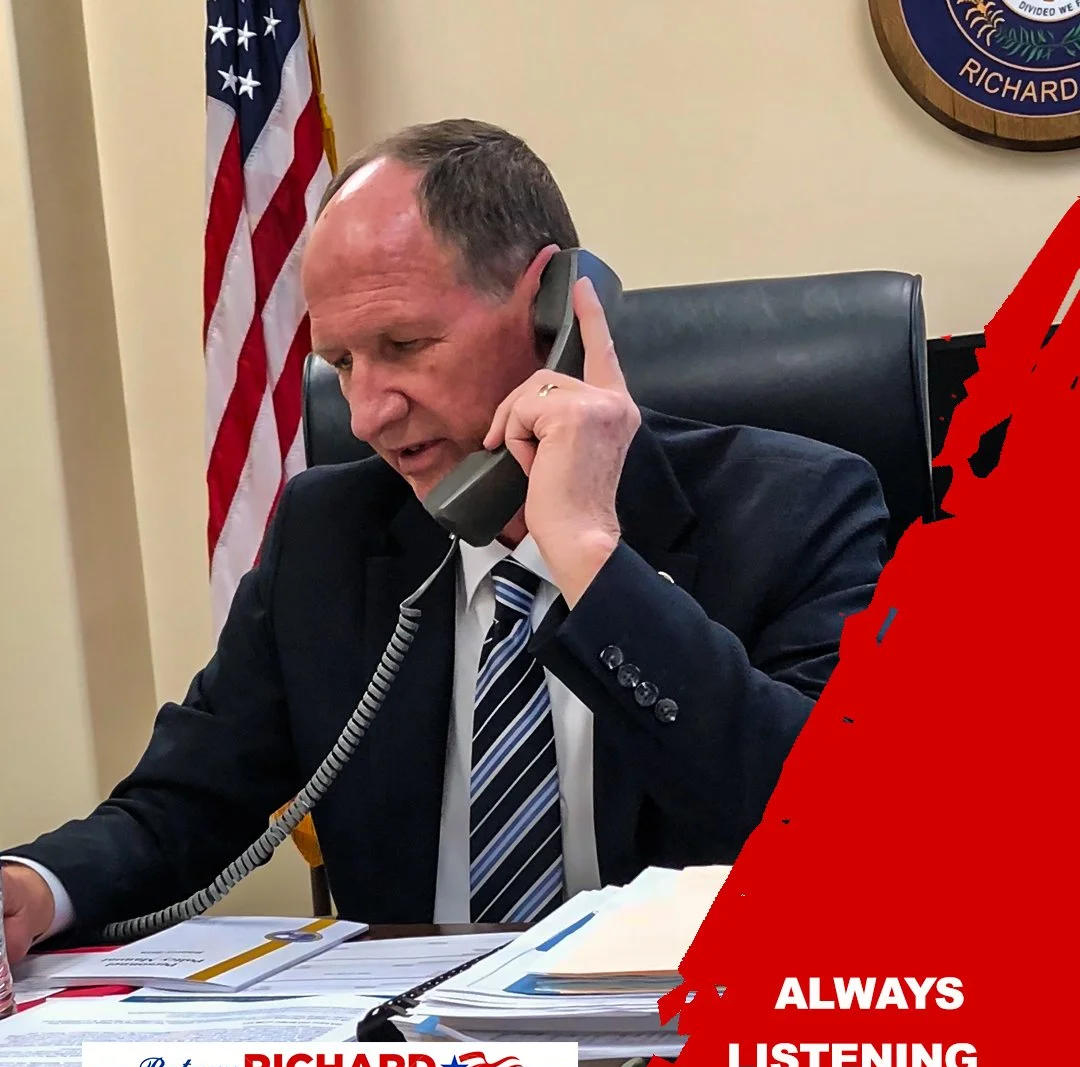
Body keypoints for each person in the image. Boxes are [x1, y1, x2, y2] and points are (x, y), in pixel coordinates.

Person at [1, 118, 887, 962]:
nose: (367, 412)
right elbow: (181, 806)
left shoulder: (798, 506)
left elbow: (830, 827)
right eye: (341, 363)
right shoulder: (328, 533)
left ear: (552, 310)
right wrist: (34, 890)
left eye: (405, 344)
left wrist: (589, 556)